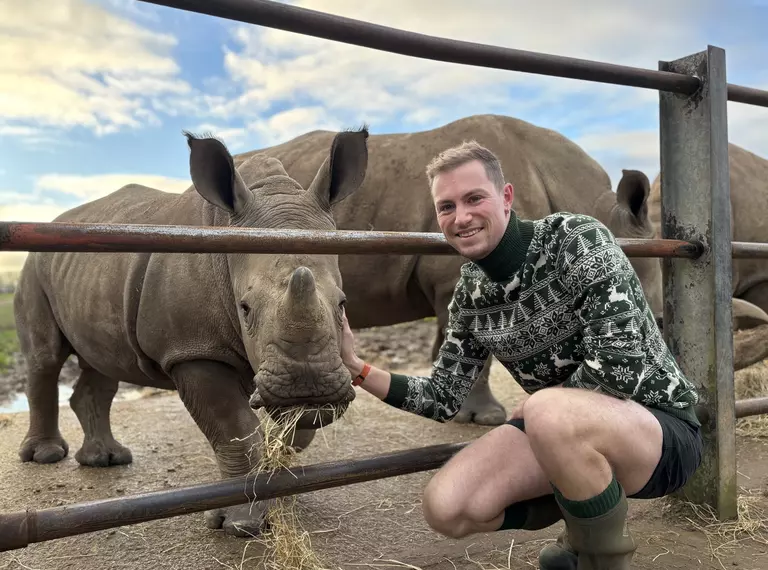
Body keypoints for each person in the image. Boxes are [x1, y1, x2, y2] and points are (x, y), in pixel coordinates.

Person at [339, 140, 703, 570]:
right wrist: (357, 368)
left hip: (660, 432)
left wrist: (534, 407)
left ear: (506, 197)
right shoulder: (471, 294)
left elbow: (620, 366)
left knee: (547, 409)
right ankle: (583, 513)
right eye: (447, 206)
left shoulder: (575, 240)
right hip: (559, 431)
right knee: (448, 506)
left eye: (475, 198)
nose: (462, 217)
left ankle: (600, 557)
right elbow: (442, 396)